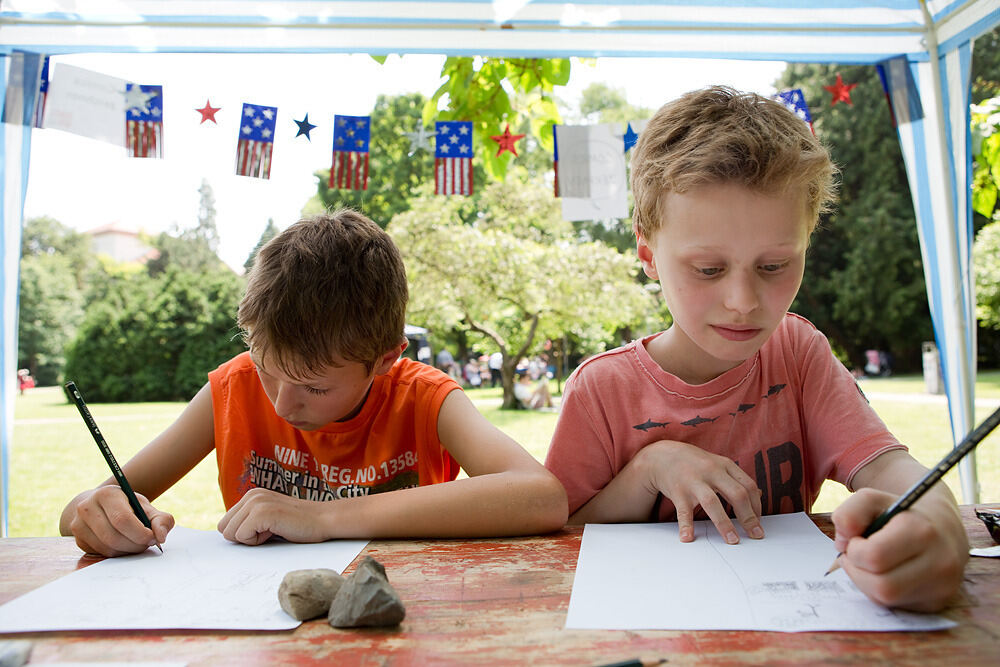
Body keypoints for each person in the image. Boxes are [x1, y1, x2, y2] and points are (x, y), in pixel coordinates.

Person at [544, 86, 967, 613]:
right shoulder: (602, 389)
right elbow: (561, 532)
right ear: (648, 254)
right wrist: (648, 468)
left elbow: (886, 469)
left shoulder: (797, 352)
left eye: (773, 266)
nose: (743, 302)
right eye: (708, 269)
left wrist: (939, 525)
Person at [61, 210, 567, 557]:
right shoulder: (231, 389)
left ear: (385, 359)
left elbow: (541, 497)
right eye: (265, 369)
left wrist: (323, 518)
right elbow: (75, 515)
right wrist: (99, 515)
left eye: (315, 387)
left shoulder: (425, 399)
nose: (282, 404)